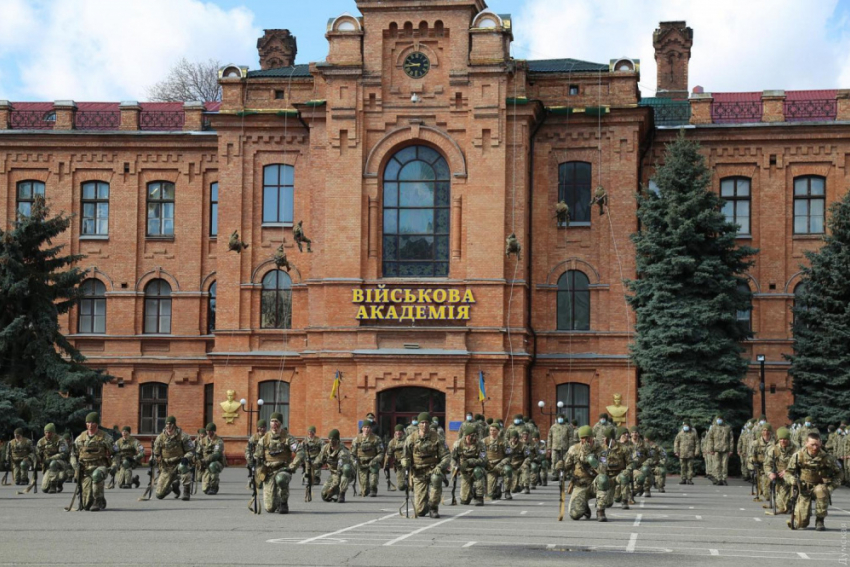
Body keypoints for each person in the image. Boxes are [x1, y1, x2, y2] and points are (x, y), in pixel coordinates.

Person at [785, 432, 840, 531]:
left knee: (821, 490)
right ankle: (803, 515)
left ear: (821, 443)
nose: (815, 447)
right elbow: (788, 472)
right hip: (803, 488)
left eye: (817, 445)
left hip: (819, 486)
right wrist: (792, 480)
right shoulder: (798, 456)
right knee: (802, 524)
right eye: (812, 445)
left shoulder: (827, 458)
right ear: (806, 443)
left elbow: (839, 473)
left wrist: (831, 487)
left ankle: (820, 520)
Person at [555, 425, 610, 522]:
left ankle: (600, 511)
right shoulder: (574, 449)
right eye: (582, 438)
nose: (585, 440)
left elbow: (603, 471)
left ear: (592, 437)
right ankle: (584, 507)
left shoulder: (601, 450)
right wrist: (561, 466)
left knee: (603, 479)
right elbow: (567, 466)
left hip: (594, 484)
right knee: (575, 515)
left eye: (587, 438)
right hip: (580, 485)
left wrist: (592, 461)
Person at [401, 412, 451, 518]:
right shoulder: (411, 438)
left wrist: (440, 467)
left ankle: (433, 508)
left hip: (433, 469)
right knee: (420, 512)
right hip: (418, 472)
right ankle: (425, 505)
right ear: (418, 424)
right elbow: (405, 456)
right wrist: (405, 462)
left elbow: (446, 455)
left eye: (427, 423)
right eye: (422, 423)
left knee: (436, 479)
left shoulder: (437, 437)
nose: (424, 425)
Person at [255, 412, 303, 513]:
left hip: (283, 469)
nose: (274, 424)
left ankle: (283, 502)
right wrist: (258, 472)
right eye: (272, 421)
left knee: (281, 479)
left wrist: (292, 467)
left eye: (276, 421)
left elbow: (300, 452)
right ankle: (276, 501)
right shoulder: (264, 439)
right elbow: (258, 457)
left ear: (280, 423)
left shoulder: (287, 438)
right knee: (269, 508)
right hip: (269, 471)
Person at [71, 412, 114, 511]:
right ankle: (100, 498)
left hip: (100, 466)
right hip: (85, 468)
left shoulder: (105, 437)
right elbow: (73, 454)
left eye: (92, 423)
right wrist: (75, 465)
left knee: (96, 476)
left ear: (97, 424)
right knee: (86, 505)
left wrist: (114, 465)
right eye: (88, 423)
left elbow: (115, 453)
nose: (90, 425)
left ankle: (97, 501)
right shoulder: (80, 439)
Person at [153, 415, 195, 501]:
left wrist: (186, 458)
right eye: (167, 424)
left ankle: (186, 492)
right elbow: (156, 453)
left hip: (179, 462)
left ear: (174, 425)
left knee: (184, 467)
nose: (168, 427)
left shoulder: (183, 436)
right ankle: (173, 487)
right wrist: (153, 459)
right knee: (159, 495)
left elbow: (191, 451)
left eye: (170, 424)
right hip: (166, 466)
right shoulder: (160, 438)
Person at [313, 429, 354, 503]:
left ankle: (341, 493)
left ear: (338, 440)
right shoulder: (325, 448)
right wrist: (312, 467)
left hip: (345, 474)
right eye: (330, 439)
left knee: (346, 469)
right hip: (333, 474)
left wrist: (333, 486)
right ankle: (337, 490)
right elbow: (319, 460)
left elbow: (340, 470)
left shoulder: (343, 451)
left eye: (334, 439)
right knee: (324, 495)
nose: (331, 441)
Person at [764, 426, 798, 515]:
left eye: (785, 439)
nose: (783, 441)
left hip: (793, 476)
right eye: (781, 439)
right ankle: (788, 504)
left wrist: (787, 471)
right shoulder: (773, 449)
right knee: (782, 506)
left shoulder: (796, 449)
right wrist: (770, 473)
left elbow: (801, 464)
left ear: (789, 439)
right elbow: (767, 464)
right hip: (780, 478)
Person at [451, 423, 486, 506]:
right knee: (464, 501)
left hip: (476, 469)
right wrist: (455, 469)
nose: (473, 438)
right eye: (471, 435)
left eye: (475, 435)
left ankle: (479, 497)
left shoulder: (480, 444)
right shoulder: (458, 444)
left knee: (478, 471)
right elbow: (453, 458)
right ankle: (471, 492)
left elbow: (484, 460)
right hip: (464, 471)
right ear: (466, 436)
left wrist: (470, 461)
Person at [351, 420, 384, 497]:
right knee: (364, 491)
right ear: (362, 428)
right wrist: (354, 461)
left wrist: (375, 460)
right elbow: (352, 453)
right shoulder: (357, 439)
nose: (366, 429)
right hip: (362, 463)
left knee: (373, 479)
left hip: (372, 462)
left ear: (371, 429)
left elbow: (381, 453)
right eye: (365, 427)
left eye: (368, 427)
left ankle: (373, 489)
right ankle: (365, 489)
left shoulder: (376, 439)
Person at [601, 426, 632, 510]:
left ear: (611, 439)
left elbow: (631, 463)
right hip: (607, 478)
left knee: (624, 477)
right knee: (607, 503)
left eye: (605, 437)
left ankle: (624, 500)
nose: (603, 439)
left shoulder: (623, 448)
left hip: (619, 475)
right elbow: (598, 463)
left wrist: (627, 471)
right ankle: (602, 500)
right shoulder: (602, 449)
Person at [37, 423, 69, 493]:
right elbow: (38, 454)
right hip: (48, 465)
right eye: (46, 432)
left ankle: (53, 486)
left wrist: (51, 458)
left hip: (60, 464)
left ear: (54, 433)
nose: (48, 434)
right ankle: (56, 483)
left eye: (50, 433)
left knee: (53, 464)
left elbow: (63, 454)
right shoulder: (41, 442)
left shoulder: (60, 440)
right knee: (44, 489)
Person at [483, 422, 512, 500]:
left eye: (494, 430)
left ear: (498, 431)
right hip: (489, 466)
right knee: (490, 496)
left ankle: (507, 491)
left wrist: (502, 463)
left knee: (508, 470)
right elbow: (480, 454)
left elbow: (509, 456)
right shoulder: (484, 441)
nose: (492, 432)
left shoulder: (503, 441)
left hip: (500, 465)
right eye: (491, 430)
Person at [749, 423, 775, 503]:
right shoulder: (756, 443)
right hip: (761, 468)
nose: (766, 432)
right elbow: (750, 456)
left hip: (771, 467)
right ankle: (767, 494)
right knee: (765, 491)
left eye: (768, 430)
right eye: (764, 430)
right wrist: (753, 460)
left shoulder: (775, 443)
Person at [706, 414, 733, 485]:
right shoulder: (713, 428)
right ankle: (718, 479)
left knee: (724, 465)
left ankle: (724, 479)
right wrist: (711, 449)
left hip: (725, 449)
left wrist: (731, 450)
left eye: (720, 419)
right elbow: (710, 439)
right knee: (717, 465)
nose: (719, 420)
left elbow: (731, 439)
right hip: (716, 449)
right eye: (718, 419)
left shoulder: (727, 428)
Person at [200, 423, 225, 495]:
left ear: (213, 431)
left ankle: (214, 487)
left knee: (212, 466)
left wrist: (206, 460)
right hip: (205, 463)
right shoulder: (203, 441)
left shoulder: (218, 441)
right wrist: (197, 460)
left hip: (217, 462)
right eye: (207, 431)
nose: (208, 432)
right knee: (205, 489)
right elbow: (198, 452)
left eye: (210, 431)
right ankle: (208, 486)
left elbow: (216, 454)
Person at [547, 414, 573, 482]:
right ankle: (555, 474)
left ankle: (563, 474)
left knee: (564, 462)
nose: (560, 419)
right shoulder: (553, 427)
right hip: (555, 447)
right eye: (559, 418)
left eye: (561, 418)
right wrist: (549, 447)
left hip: (564, 447)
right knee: (554, 461)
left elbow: (570, 437)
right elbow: (549, 437)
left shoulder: (568, 427)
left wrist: (570, 447)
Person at [674, 420, 699, 485]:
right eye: (684, 426)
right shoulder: (680, 434)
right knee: (683, 467)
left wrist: (696, 451)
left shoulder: (693, 433)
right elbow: (676, 442)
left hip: (690, 453)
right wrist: (676, 451)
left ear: (689, 426)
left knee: (690, 467)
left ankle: (689, 479)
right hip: (682, 453)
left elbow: (697, 443)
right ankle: (683, 479)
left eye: (687, 426)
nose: (685, 427)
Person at [383, 425, 407, 491]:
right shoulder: (392, 442)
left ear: (403, 432)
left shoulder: (408, 440)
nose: (398, 433)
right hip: (399, 465)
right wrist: (386, 464)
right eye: (397, 431)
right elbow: (388, 454)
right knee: (401, 486)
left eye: (400, 431)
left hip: (409, 464)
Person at [245, 419, 267, 490]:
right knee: (258, 485)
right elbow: (248, 449)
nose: (263, 429)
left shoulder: (268, 437)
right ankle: (251, 479)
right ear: (258, 428)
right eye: (261, 427)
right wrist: (249, 458)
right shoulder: (253, 438)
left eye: (264, 427)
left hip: (266, 460)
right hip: (256, 460)